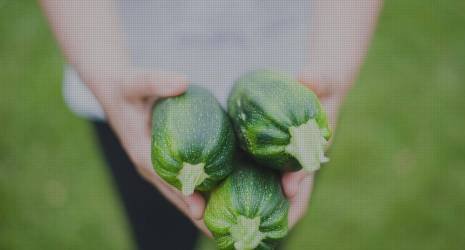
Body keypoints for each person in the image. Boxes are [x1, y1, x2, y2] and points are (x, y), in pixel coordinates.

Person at [39, 0, 382, 249]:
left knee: (267, 230)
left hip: (292, 80)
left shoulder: (301, 122)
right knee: (158, 237)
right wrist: (109, 80)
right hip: (131, 82)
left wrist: (333, 67)